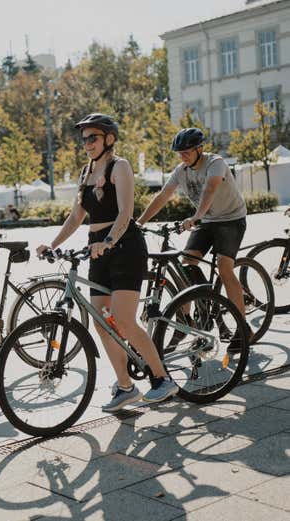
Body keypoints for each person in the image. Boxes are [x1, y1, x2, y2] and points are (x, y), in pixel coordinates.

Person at [37, 113, 178, 412]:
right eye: (84, 138)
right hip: (97, 251)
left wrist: (110, 241)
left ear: (109, 138)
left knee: (124, 319)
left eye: (93, 137)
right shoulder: (86, 172)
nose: (87, 143)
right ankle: (125, 387)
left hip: (125, 247)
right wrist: (52, 245)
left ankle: (163, 379)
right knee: (103, 324)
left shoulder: (120, 166)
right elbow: (77, 216)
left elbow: (126, 212)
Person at [137, 127, 249, 349]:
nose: (182, 156)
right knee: (187, 263)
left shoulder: (215, 163)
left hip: (230, 219)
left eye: (187, 151)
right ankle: (204, 301)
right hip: (206, 221)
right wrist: (139, 222)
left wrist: (197, 215)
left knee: (224, 268)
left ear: (200, 149)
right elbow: (163, 196)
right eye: (179, 153)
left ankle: (244, 328)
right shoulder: (181, 170)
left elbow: (210, 189)